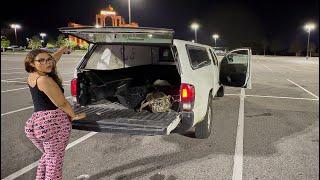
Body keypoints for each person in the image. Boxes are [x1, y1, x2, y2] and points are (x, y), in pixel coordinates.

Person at [24, 46, 86, 180]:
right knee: (54, 160)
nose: (47, 63)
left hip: (35, 123)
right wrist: (74, 115)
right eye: (41, 61)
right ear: (31, 63)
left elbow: (53, 60)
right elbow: (61, 103)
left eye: (48, 60)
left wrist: (62, 50)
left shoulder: (33, 76)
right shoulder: (44, 80)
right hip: (52, 122)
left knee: (48, 156)